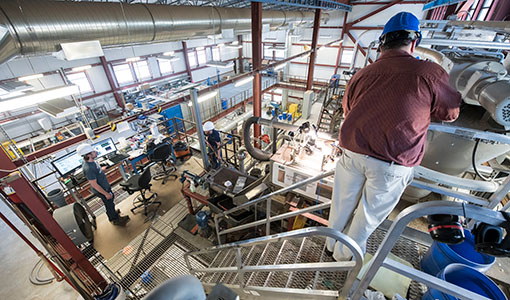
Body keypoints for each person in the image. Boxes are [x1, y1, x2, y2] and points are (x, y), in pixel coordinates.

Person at [326, 12, 462, 261]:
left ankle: (329, 247)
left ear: (382, 43)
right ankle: (340, 261)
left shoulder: (362, 74)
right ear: (413, 42)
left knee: (341, 206)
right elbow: (450, 113)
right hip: (392, 161)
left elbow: (348, 109)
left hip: (352, 153)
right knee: (365, 218)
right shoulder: (429, 72)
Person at [77, 143, 130, 226]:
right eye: (94, 151)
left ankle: (112, 213)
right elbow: (94, 184)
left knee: (110, 203)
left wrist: (101, 170)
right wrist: (105, 194)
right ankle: (114, 219)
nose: (96, 152)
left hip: (104, 187)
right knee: (109, 204)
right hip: (102, 190)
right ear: (89, 154)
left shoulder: (90, 161)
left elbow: (96, 171)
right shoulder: (88, 168)